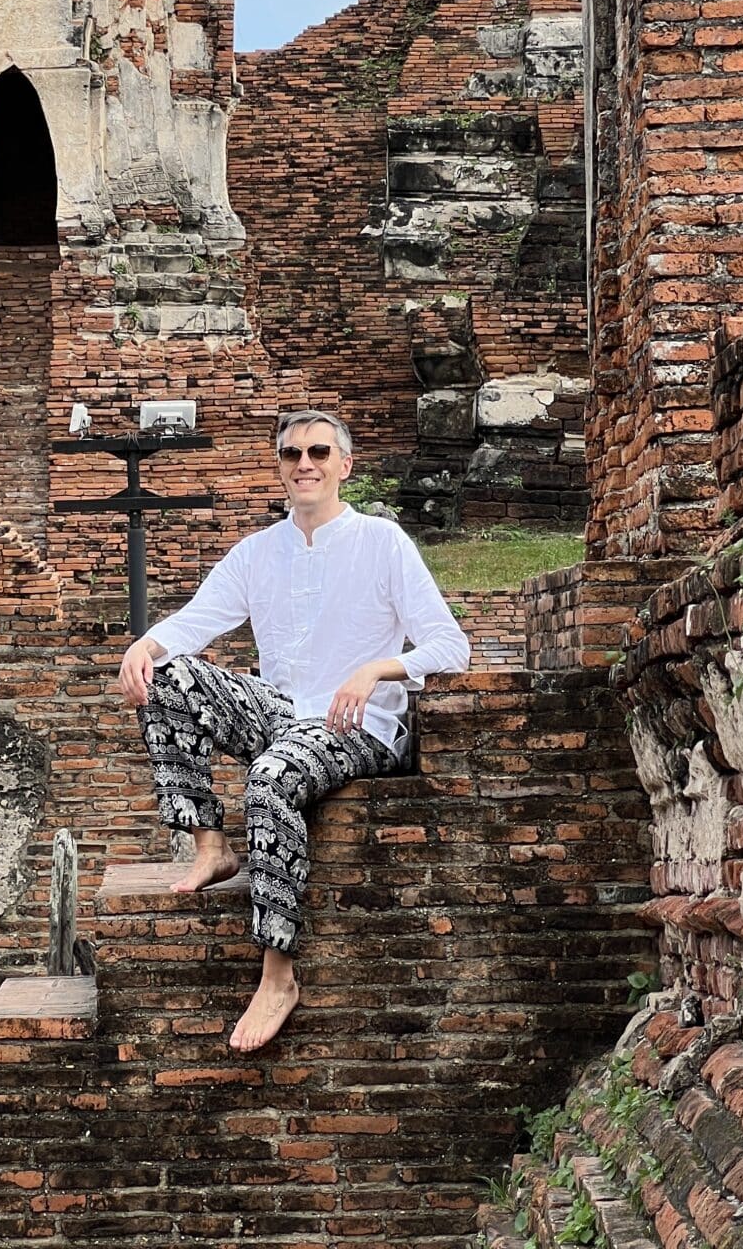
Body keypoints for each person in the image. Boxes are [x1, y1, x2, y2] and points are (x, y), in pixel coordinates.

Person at [116, 408, 471, 1053]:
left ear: (344, 464)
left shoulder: (383, 542)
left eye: (317, 452)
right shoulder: (257, 552)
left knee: (271, 776)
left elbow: (451, 646)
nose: (304, 464)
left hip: (360, 726)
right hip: (285, 713)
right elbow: (196, 622)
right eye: (291, 454)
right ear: (279, 467)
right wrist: (146, 643)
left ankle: (277, 973)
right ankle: (210, 846)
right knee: (165, 678)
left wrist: (377, 669)